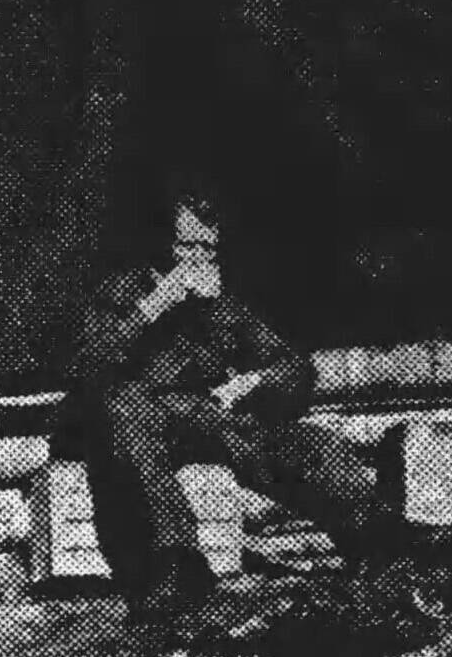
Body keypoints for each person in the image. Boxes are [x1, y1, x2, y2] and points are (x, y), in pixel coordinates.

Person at [66, 188, 409, 621]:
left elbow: (295, 368)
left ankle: (376, 546)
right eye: (188, 246)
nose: (200, 258)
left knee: (303, 444)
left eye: (208, 247)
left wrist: (256, 381)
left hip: (212, 415)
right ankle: (176, 569)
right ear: (161, 248)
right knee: (126, 411)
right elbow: (87, 365)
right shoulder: (120, 293)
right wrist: (154, 307)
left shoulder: (222, 306)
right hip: (141, 419)